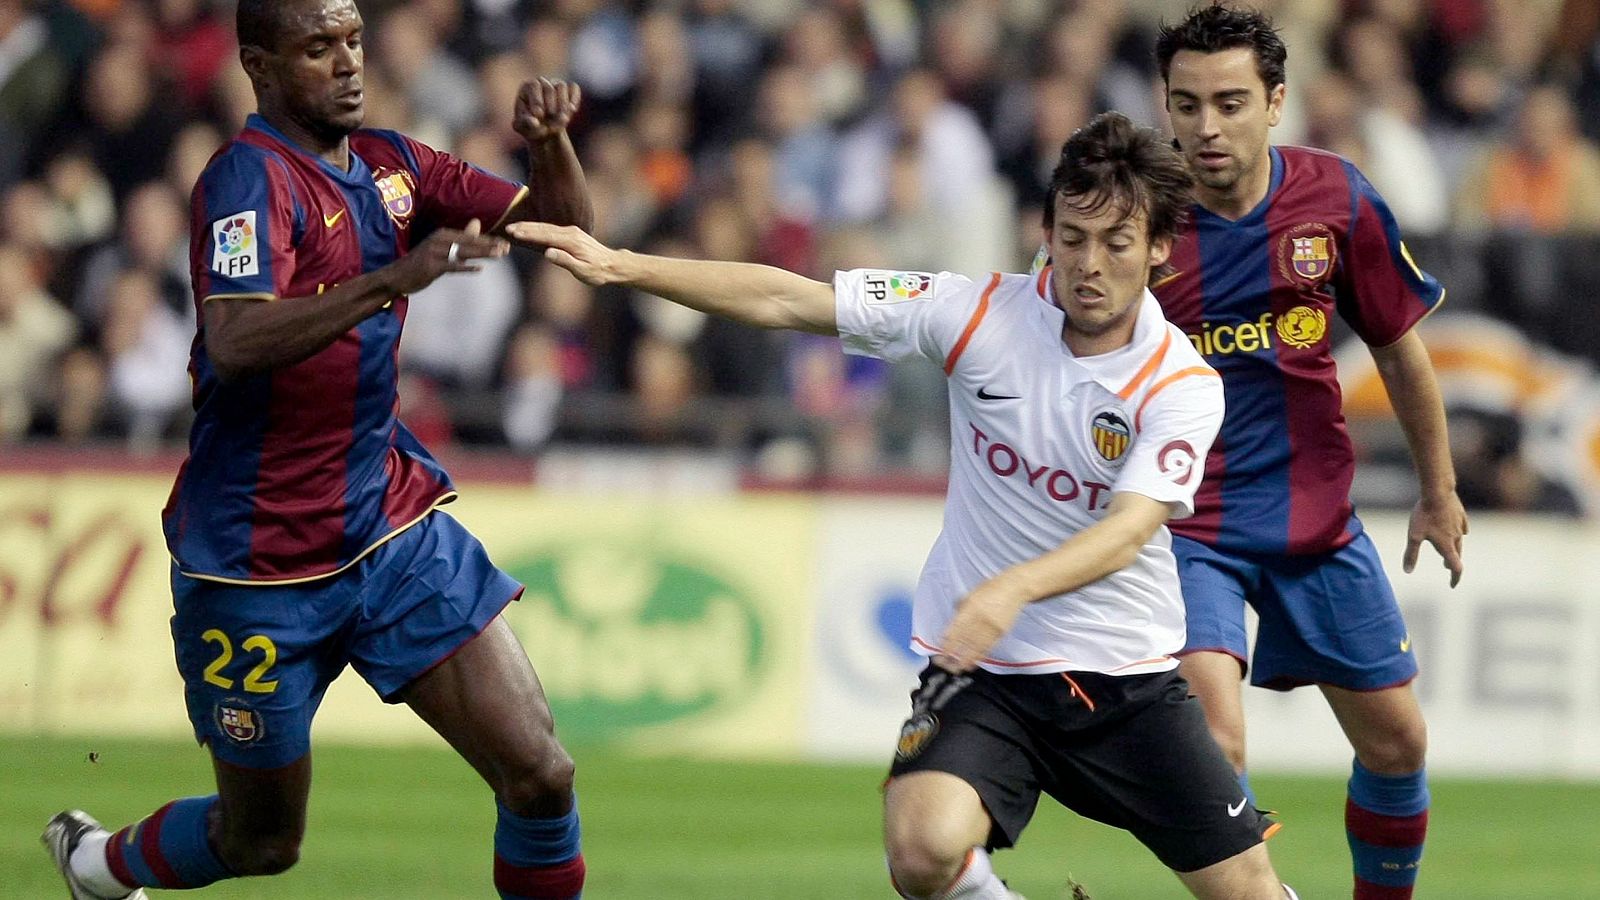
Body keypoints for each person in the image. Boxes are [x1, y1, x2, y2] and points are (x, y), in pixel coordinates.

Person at [512, 112, 1299, 900]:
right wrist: (622, 265)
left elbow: (1131, 531)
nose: (1088, 265)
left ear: (1160, 248)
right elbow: (789, 300)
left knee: (1248, 891)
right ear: (1047, 230)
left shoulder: (1181, 383)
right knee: (921, 851)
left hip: (1124, 679)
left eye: (1116, 244)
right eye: (1072, 237)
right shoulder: (976, 312)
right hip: (984, 672)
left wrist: (1014, 587)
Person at [41, 1, 592, 898]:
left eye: (354, 41)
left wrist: (551, 146)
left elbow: (570, 236)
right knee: (262, 842)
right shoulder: (244, 181)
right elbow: (235, 341)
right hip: (254, 568)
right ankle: (98, 867)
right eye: (317, 48)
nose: (347, 65)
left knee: (542, 773)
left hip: (389, 531)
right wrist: (390, 280)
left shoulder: (397, 166)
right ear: (259, 67)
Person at [1153, 6, 1469, 899]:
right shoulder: (1136, 216)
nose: (1206, 127)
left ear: (1276, 101)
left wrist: (1437, 489)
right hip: (1186, 527)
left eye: (1229, 102)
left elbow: (1400, 348)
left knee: (1398, 744)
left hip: (1314, 522)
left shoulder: (1337, 197)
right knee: (1215, 745)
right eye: (1186, 104)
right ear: (1165, 107)